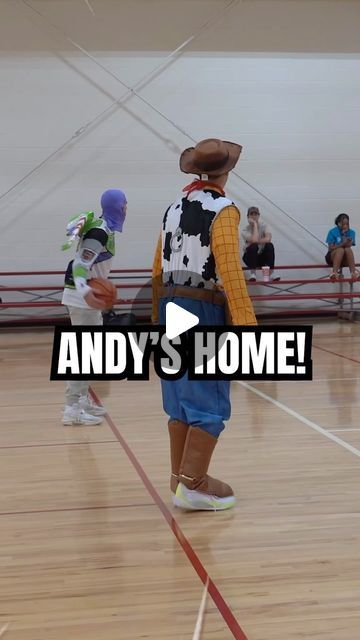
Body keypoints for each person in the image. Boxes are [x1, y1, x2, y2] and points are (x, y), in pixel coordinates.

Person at [152, 138, 256, 511]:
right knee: (210, 399)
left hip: (169, 305)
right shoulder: (224, 209)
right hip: (201, 309)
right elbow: (229, 268)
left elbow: (157, 266)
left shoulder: (174, 207)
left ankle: (179, 478)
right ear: (226, 171)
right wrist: (246, 323)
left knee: (179, 397)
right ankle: (194, 483)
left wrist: (156, 313)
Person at [61, 189, 127, 425]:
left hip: (83, 299)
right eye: (125, 204)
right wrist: (87, 291)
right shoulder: (99, 232)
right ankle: (72, 409)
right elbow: (80, 264)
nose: (127, 208)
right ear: (118, 207)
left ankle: (80, 401)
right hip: (83, 299)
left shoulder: (103, 228)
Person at [242, 206, 280, 281]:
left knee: (269, 245)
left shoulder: (264, 226)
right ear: (248, 216)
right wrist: (255, 225)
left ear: (258, 216)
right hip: (249, 258)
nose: (254, 216)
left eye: (256, 214)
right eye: (251, 214)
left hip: (261, 258)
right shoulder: (245, 230)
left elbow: (268, 239)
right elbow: (255, 241)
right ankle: (253, 273)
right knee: (253, 246)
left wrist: (256, 240)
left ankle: (271, 273)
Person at [325, 213, 359, 281]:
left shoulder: (351, 232)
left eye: (347, 224)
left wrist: (344, 235)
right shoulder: (332, 231)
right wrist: (342, 244)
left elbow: (348, 246)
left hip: (344, 259)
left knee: (347, 249)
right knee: (340, 250)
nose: (345, 226)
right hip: (332, 257)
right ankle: (334, 273)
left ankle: (353, 273)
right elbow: (330, 248)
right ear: (339, 223)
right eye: (343, 224)